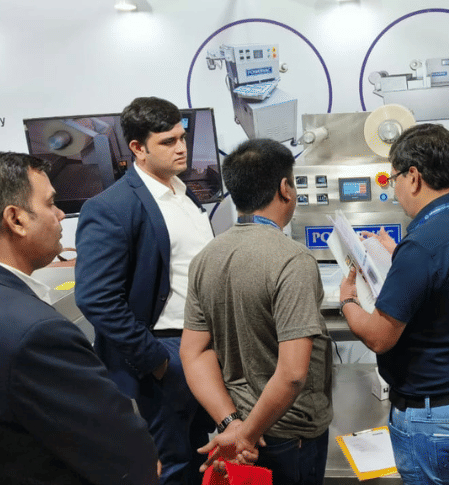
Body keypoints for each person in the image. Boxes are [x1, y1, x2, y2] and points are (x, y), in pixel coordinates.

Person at [339, 123, 449, 484]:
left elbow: (379, 337)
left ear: (413, 177)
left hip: (432, 413)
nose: (394, 190)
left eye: (393, 178)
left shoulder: (422, 247)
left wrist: (348, 299)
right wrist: (399, 255)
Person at [74, 97, 214, 484]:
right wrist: (155, 359)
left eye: (182, 138)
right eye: (168, 141)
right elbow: (96, 298)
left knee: (199, 451)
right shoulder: (112, 207)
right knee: (171, 463)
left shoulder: (184, 193)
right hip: (163, 350)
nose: (181, 148)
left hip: (200, 347)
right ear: (138, 147)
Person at [180, 138, 333, 484]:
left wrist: (232, 424)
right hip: (287, 435)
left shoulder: (206, 258)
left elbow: (193, 353)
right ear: (285, 189)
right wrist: (247, 435)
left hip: (239, 429)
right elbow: (293, 373)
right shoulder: (292, 260)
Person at [0, 151, 158, 484]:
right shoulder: (38, 333)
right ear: (16, 219)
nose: (60, 214)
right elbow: (124, 455)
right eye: (50, 203)